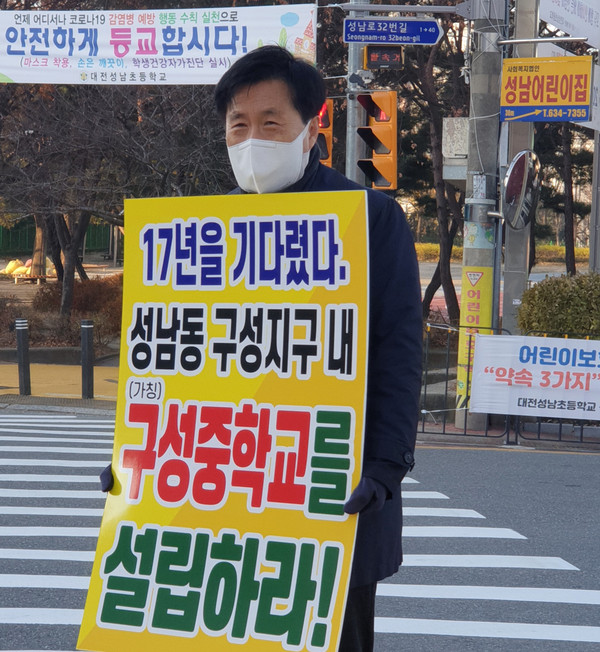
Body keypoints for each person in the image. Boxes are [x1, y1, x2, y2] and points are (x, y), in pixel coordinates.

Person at [213, 45, 423, 651]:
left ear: (313, 125)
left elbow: (397, 350)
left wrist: (384, 468)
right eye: (238, 125)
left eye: (270, 122)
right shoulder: (207, 227)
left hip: (332, 487)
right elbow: (177, 354)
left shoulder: (368, 218)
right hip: (225, 490)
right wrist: (137, 458)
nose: (252, 140)